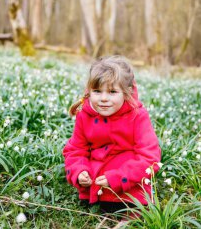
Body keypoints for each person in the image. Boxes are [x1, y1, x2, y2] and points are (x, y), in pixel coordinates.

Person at [63, 55, 161, 214]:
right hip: (95, 183)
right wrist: (79, 171)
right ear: (88, 91)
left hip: (128, 182)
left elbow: (149, 158)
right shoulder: (84, 115)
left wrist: (118, 177)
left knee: (134, 203)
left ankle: (131, 212)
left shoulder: (137, 116)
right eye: (97, 91)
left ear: (127, 92)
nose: (103, 99)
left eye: (112, 92)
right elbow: (75, 150)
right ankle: (100, 203)